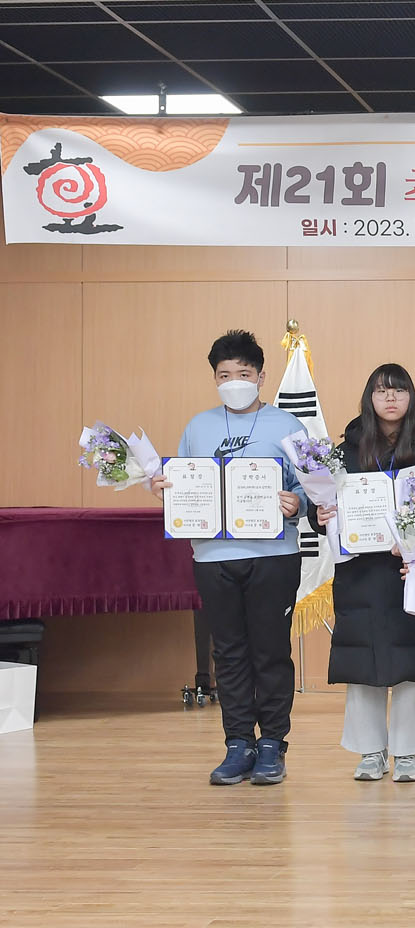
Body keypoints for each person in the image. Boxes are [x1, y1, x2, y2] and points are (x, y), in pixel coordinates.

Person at [151, 330, 307, 786]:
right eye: (224, 375)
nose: (234, 382)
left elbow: (312, 489)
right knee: (229, 653)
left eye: (243, 373)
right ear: (214, 379)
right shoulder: (198, 427)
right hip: (213, 557)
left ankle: (272, 744)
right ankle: (238, 743)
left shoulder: (288, 426)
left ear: (261, 376)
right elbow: (184, 485)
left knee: (271, 651)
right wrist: (166, 491)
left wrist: (296, 503)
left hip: (274, 555)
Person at [313, 363, 415, 784]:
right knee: (363, 663)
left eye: (399, 390)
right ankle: (370, 752)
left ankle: (407, 753)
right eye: (381, 391)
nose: (390, 398)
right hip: (360, 574)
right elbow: (321, 504)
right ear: (370, 398)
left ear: (411, 397)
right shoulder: (345, 450)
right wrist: (318, 514)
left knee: (411, 664)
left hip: (410, 573)